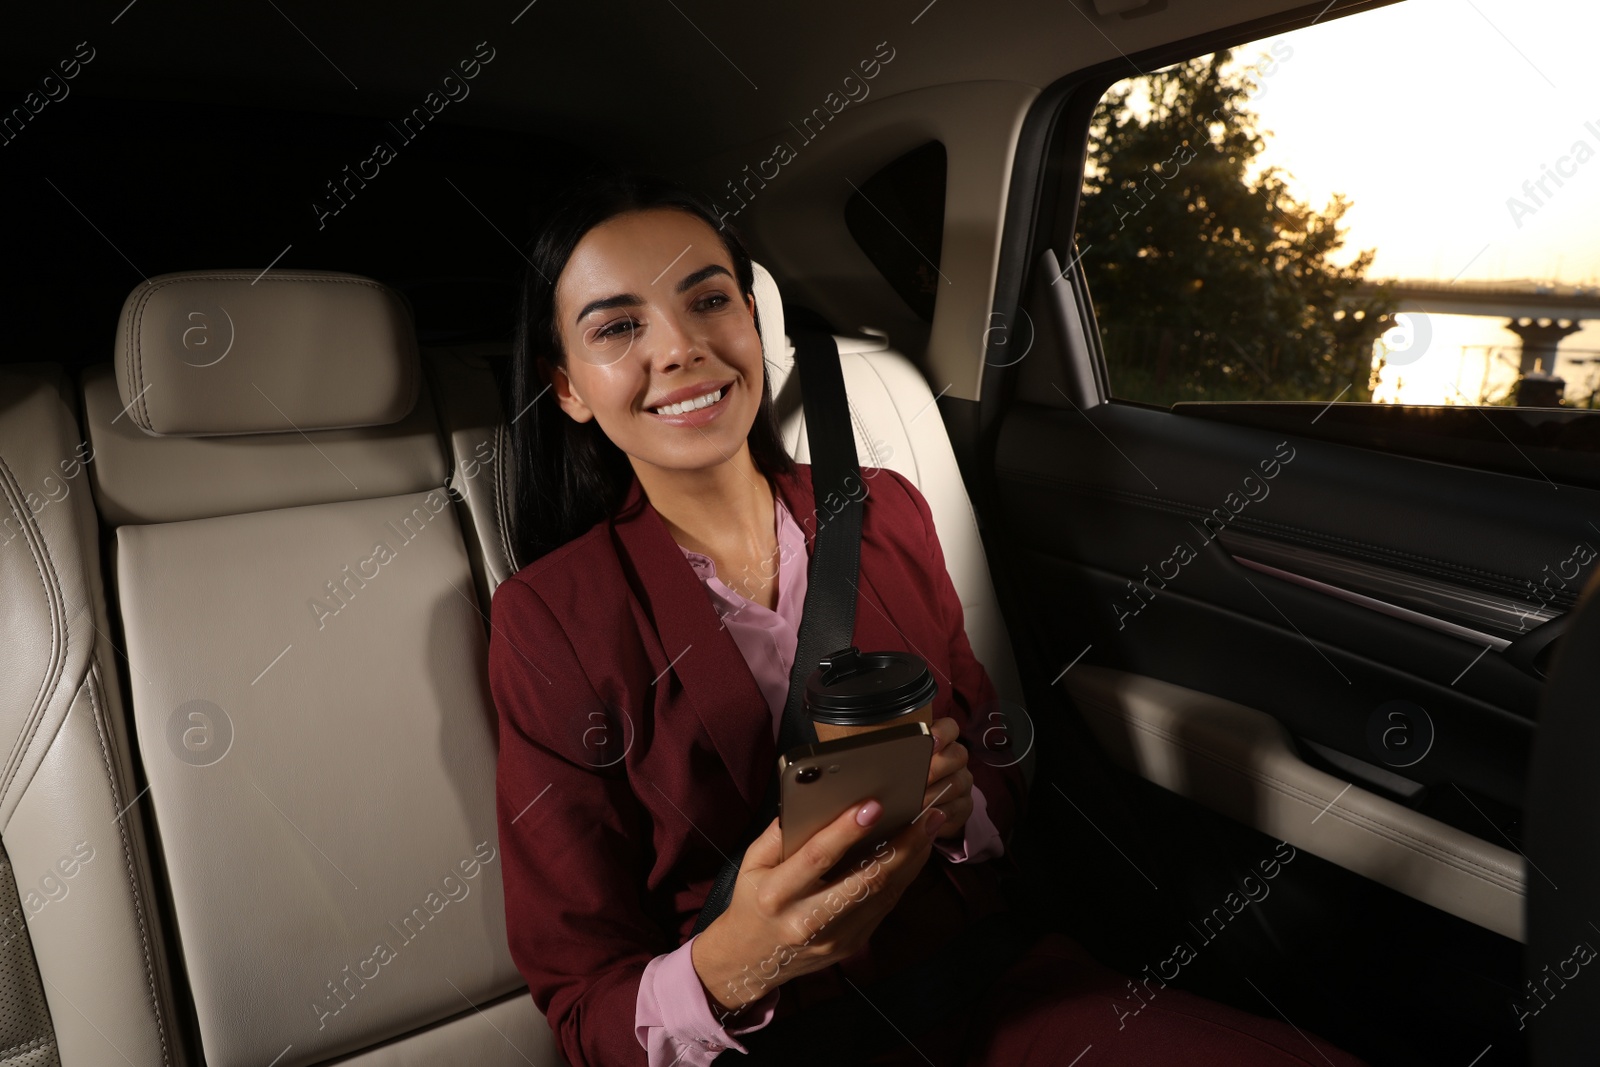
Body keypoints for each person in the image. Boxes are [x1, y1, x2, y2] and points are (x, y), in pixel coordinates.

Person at [488, 170, 1371, 1067]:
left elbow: (993, 750)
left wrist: (961, 805)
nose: (678, 349)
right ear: (566, 386)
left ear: (753, 321)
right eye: (618, 326)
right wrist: (733, 962)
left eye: (709, 299)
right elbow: (583, 1003)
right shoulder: (550, 619)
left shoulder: (887, 509)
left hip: (996, 994)